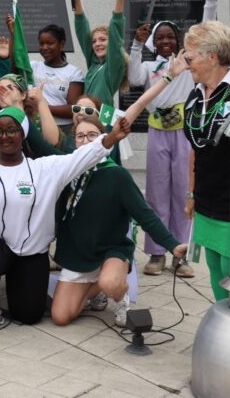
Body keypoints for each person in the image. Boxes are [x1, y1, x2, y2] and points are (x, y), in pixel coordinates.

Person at [0, 108, 131, 324]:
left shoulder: (45, 168)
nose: (5, 136)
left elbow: (81, 157)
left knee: (29, 315)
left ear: (23, 134)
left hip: (31, 251)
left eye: (12, 130)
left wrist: (111, 138)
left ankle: (27, 285)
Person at [51, 115, 188, 327]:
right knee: (61, 317)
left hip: (110, 250)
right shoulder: (67, 171)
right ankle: (97, 289)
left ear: (103, 138)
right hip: (78, 253)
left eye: (92, 135)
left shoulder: (117, 175)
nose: (85, 140)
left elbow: (146, 215)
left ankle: (118, 294)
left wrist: (172, 245)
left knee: (109, 282)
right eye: (80, 136)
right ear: (74, 140)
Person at [129, 0, 220, 277]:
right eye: (161, 38)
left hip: (184, 133)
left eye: (171, 37)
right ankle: (156, 253)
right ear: (156, 42)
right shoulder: (150, 66)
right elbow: (132, 76)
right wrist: (137, 45)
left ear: (179, 41)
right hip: (157, 132)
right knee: (156, 193)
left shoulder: (187, 62)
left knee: (184, 192)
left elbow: (208, 30)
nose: (167, 41)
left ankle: (182, 254)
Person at [182, 20, 230, 301]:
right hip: (205, 197)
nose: (187, 64)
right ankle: (223, 324)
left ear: (211, 56)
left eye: (190, 57)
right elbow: (195, 148)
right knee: (214, 266)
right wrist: (192, 193)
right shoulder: (195, 95)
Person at [69, 0, 138, 109]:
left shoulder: (114, 66)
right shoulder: (94, 63)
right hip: (87, 114)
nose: (97, 44)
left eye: (102, 40)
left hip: (103, 117)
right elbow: (81, 28)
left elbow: (116, 35)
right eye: (94, 41)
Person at [30, 24, 84, 131]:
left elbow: (73, 108)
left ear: (62, 44)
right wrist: (14, 35)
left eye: (50, 43)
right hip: (37, 127)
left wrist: (41, 107)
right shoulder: (33, 66)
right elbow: (14, 68)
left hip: (64, 129)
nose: (45, 47)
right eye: (41, 44)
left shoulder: (74, 72)